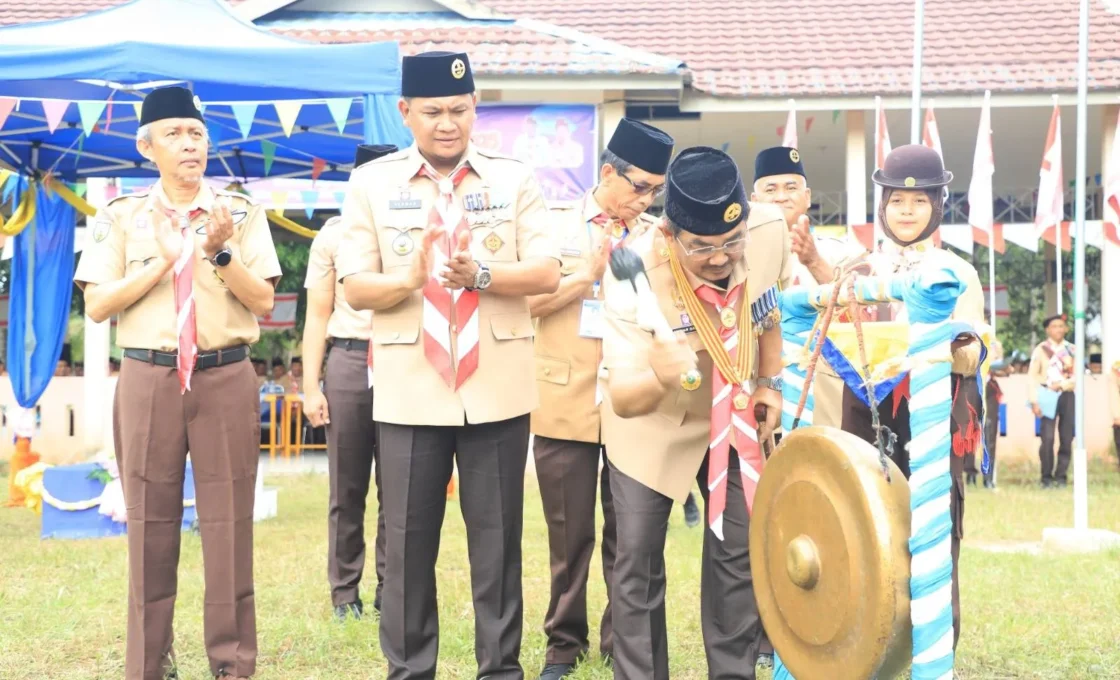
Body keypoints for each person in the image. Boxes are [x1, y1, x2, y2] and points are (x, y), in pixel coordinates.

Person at [336, 51, 560, 680]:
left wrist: (482, 274)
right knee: (406, 549)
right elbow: (354, 286)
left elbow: (547, 272)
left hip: (496, 389)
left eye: (459, 110)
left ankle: (501, 671)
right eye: (432, 111)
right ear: (405, 112)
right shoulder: (371, 184)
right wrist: (405, 279)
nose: (446, 123)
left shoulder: (513, 180)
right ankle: (410, 671)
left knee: (498, 548)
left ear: (475, 107)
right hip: (411, 390)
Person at [74, 85, 281, 680]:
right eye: (174, 135)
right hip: (148, 376)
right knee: (149, 526)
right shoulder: (120, 215)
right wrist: (164, 261)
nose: (189, 145)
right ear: (147, 147)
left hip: (223, 378)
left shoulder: (239, 213)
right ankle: (147, 665)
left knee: (230, 524)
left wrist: (218, 253)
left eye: (196, 134)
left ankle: (233, 663)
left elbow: (264, 299)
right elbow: (97, 305)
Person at [600, 146, 791, 680]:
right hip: (653, 420)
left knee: (737, 553)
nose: (720, 256)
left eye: (732, 241)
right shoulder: (632, 273)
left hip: (729, 412)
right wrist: (662, 372)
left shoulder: (769, 231)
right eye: (703, 247)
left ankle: (733, 672)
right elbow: (624, 399)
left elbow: (767, 308)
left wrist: (771, 382)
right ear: (668, 234)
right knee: (636, 560)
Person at [528, 117, 673, 679]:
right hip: (563, 395)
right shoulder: (553, 225)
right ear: (608, 172)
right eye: (640, 186)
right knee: (569, 534)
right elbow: (526, 308)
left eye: (655, 190)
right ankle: (563, 644)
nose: (646, 199)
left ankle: (622, 637)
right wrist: (585, 276)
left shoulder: (658, 239)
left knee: (629, 534)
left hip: (632, 400)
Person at [839, 144, 984, 648]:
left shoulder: (959, 270)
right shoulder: (857, 269)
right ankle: (865, 644)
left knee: (936, 524)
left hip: (934, 409)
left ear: (938, 206)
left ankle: (936, 644)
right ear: (881, 204)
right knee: (861, 520)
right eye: (897, 200)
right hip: (864, 408)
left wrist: (947, 345)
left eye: (920, 201)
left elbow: (976, 352)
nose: (907, 210)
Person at [302, 142, 398, 621]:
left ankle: (392, 591)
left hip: (404, 360)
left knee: (401, 487)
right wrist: (310, 386)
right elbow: (317, 315)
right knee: (347, 487)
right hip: (350, 360)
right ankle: (345, 593)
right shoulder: (334, 237)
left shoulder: (411, 233)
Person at [1028, 314, 1076, 488]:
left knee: (1067, 437)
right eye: (1054, 326)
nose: (1058, 329)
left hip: (1067, 394)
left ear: (1066, 329)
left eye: (1061, 326)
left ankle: (1061, 477)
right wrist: (1034, 401)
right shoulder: (1041, 349)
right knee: (1047, 438)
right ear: (1048, 329)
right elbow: (1032, 377)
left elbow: (1078, 375)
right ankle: (1046, 477)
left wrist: (1064, 383)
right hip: (1046, 395)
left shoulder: (1072, 349)